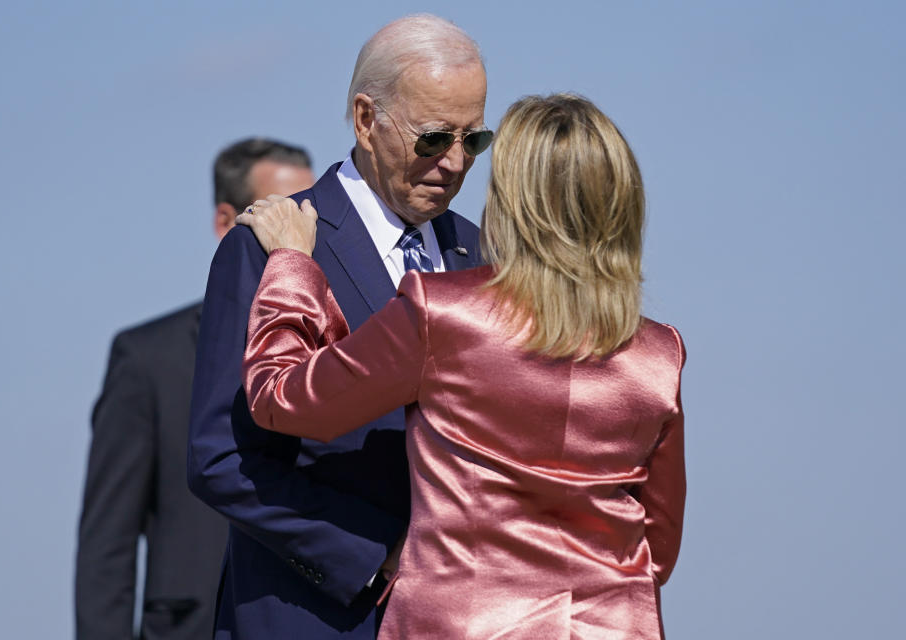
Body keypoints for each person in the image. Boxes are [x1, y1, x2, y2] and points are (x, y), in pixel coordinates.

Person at [237, 94, 686, 639]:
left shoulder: (444, 312)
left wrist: (292, 265)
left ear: (517, 200)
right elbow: (656, 547)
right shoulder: (661, 353)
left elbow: (279, 399)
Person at [186, 14, 488, 640]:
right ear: (365, 119)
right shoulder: (270, 246)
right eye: (433, 139)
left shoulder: (480, 251)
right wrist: (372, 555)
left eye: (474, 140)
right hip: (316, 616)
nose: (456, 162)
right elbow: (221, 458)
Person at [75, 138, 314, 640]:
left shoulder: (342, 345)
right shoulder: (147, 360)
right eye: (275, 214)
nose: (295, 233)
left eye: (308, 216)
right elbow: (107, 545)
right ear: (226, 223)